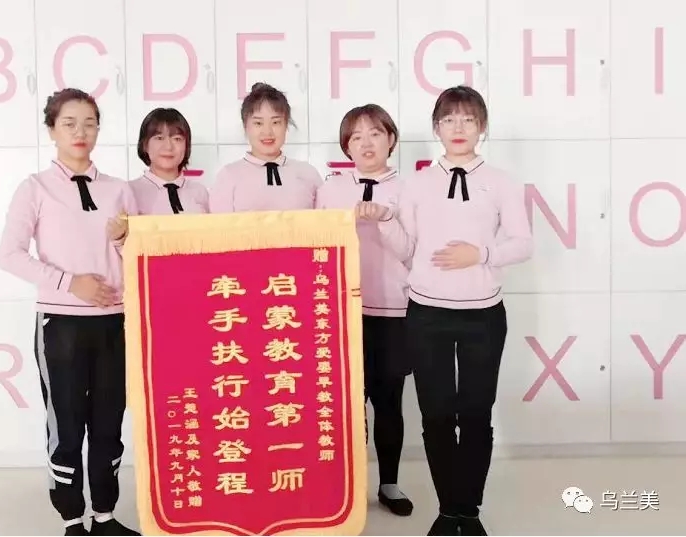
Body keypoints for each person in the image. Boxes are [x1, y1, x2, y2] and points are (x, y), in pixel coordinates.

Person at [359, 86, 533, 536]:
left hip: (483, 315)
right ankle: (447, 508)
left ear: (482, 127)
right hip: (427, 314)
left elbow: (523, 244)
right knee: (436, 415)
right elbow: (407, 249)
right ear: (436, 128)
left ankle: (468, 510)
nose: (459, 128)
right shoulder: (417, 184)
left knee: (475, 415)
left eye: (468, 119)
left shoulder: (502, 182)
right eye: (449, 120)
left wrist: (481, 254)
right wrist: (384, 223)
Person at [0, 88, 141, 537]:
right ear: (51, 130)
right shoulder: (35, 188)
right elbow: (10, 255)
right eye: (69, 123)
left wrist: (123, 241)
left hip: (115, 323)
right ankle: (73, 520)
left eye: (90, 123)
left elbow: (139, 257)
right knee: (66, 427)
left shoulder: (119, 189)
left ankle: (105, 516)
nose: (81, 132)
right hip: (60, 325)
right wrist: (69, 282)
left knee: (108, 424)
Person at [315, 104, 414, 517]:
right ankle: (349, 487)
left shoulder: (409, 189)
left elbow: (411, 252)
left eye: (375, 133)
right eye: (356, 137)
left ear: (390, 140)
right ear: (346, 147)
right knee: (344, 405)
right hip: (339, 312)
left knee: (389, 401)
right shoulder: (330, 190)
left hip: (392, 310)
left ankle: (389, 483)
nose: (366, 143)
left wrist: (385, 220)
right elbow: (315, 246)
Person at [209, 82, 323, 212]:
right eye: (258, 123)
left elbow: (326, 222)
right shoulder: (228, 176)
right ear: (245, 126)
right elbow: (219, 224)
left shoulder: (308, 174)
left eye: (275, 122)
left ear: (286, 125)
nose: (267, 132)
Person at [107, 108, 207, 244]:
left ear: (186, 146)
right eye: (159, 138)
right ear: (145, 145)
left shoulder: (200, 192)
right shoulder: (128, 191)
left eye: (177, 139)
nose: (168, 146)